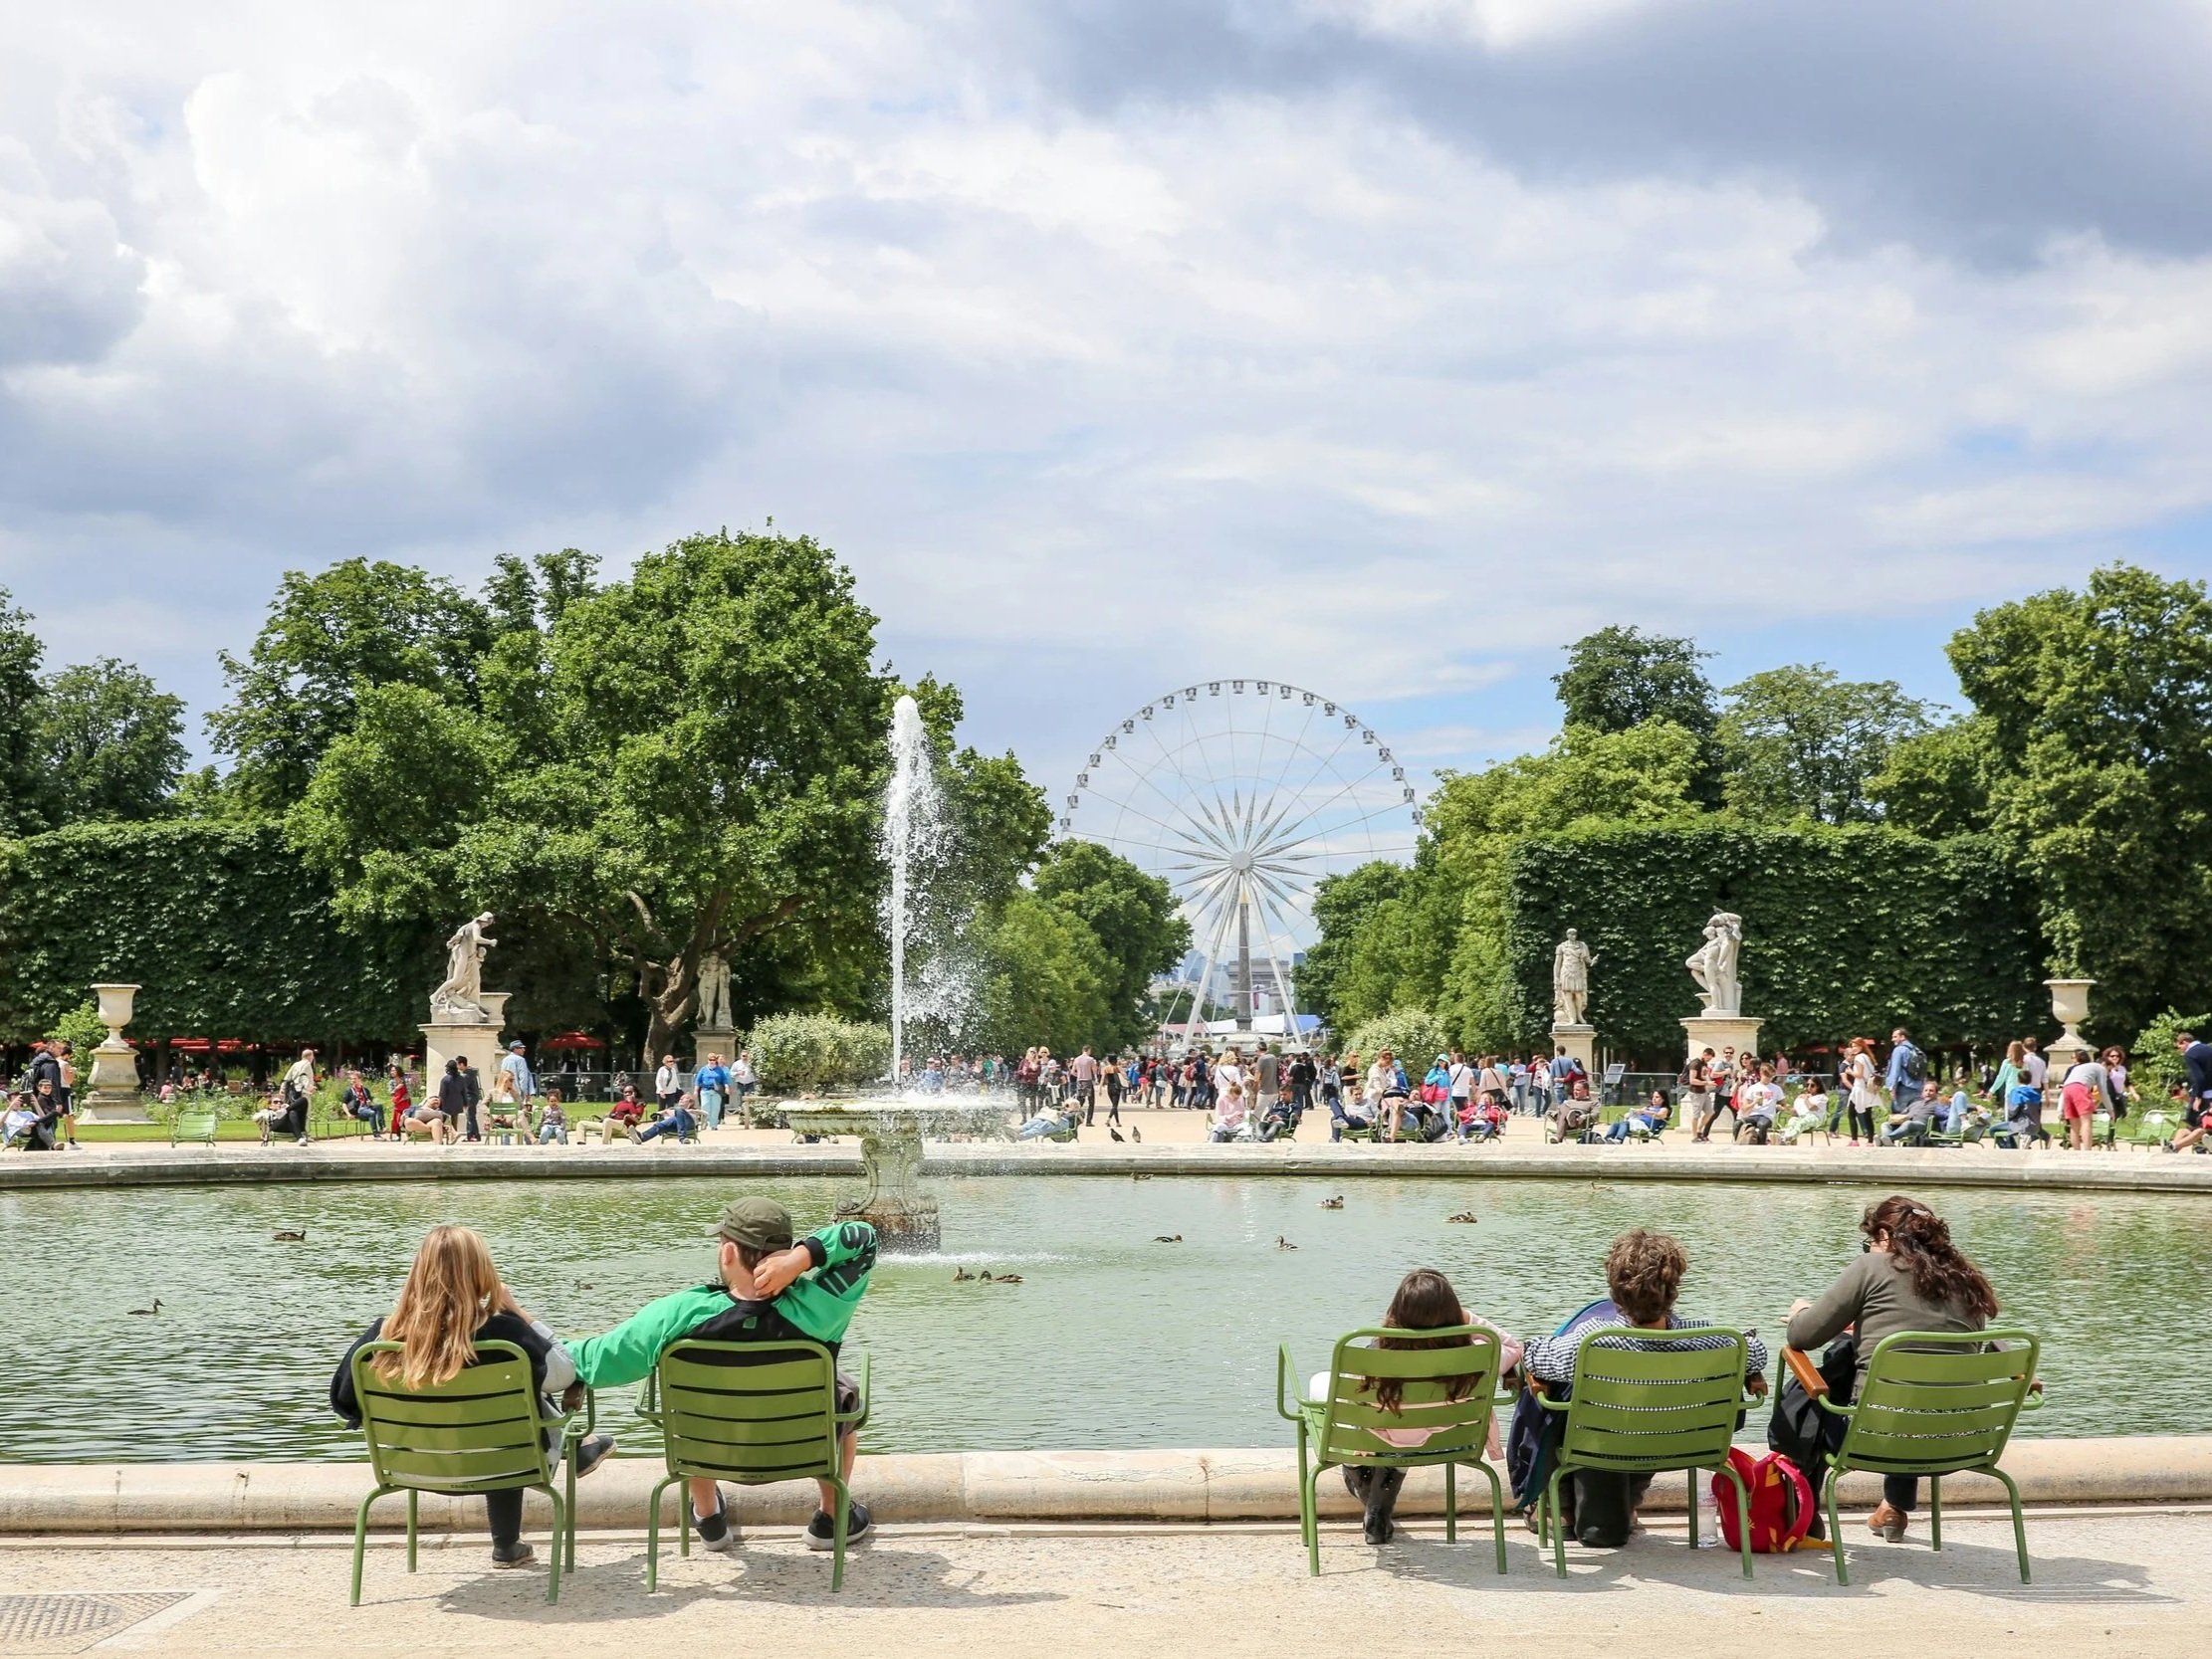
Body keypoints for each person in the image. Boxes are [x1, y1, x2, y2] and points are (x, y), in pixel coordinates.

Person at [570, 1199, 877, 1554]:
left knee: (687, 1406)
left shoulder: (677, 1314)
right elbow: (864, 1239)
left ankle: (708, 1517)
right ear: (783, 1251)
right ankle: (832, 1517)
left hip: (711, 1447)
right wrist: (802, 1258)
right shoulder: (822, 1306)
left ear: (728, 1251)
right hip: (800, 1449)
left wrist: (525, 1334)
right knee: (843, 1395)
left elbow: (592, 1363)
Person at [331, 1224, 615, 1568]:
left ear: (417, 1272)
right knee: (510, 1422)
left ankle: (511, 1542)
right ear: (483, 1273)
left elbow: (344, 1401)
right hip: (507, 1464)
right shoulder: (506, 1334)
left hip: (414, 1467)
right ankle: (573, 1453)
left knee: (498, 1420)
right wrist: (520, 1313)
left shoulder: (381, 1336)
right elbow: (565, 1374)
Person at [1521, 1230, 1767, 1545]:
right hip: (1682, 1444)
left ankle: (1559, 1507)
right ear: (1674, 1288)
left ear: (1615, 1291)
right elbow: (1757, 1351)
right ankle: (1626, 1502)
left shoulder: (1592, 1342)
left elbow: (1534, 1356)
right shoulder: (1717, 1340)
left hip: (1610, 1442)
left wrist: (1534, 1345)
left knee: (1555, 1396)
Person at [1785, 1195, 2000, 1543]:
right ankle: (1893, 1506)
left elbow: (1803, 1336)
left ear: (1884, 1236)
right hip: (1962, 1440)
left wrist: (1800, 1313)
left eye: (1870, 1241)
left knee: (1825, 1379)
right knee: (1910, 1384)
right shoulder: (1967, 1278)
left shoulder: (1871, 1267)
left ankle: (1800, 1506)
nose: (1869, 1248)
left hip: (1874, 1440)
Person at [1308, 1269, 1525, 1545]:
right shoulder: (1479, 1350)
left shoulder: (1377, 1349)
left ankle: (1363, 1481)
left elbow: (1352, 1398)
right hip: (1446, 1438)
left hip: (1381, 1435)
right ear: (1453, 1310)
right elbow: (1515, 1346)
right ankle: (1379, 1500)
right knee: (1412, 1425)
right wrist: (1470, 1319)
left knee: (1325, 1386)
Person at [2058, 1050, 2118, 1153]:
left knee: (2074, 1125)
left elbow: (2065, 1088)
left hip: (2067, 1090)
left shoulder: (2078, 1068)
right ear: (2104, 1064)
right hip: (2080, 1088)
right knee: (2086, 1122)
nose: (2108, 1073)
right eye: (2109, 1070)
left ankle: (2076, 1152)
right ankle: (2087, 1152)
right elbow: (2103, 1090)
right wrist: (2110, 1110)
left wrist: (2060, 1109)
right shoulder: (2100, 1068)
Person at [2168, 1029, 2212, 1151]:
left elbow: (2199, 1077)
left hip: (2204, 1095)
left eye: (2179, 1046)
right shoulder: (2208, 1049)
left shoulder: (2190, 1054)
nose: (2180, 1050)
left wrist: (2198, 1097)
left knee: (2199, 1125)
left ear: (2185, 1042)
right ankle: (2174, 1147)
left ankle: (2175, 1146)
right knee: (2204, 1124)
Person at [1842, 1036, 1881, 1145]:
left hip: (1859, 1089)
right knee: (1868, 1116)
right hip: (1868, 1089)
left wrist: (1849, 1072)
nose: (1853, 1048)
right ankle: (1870, 1141)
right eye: (1852, 1046)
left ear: (1861, 1046)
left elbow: (1859, 1074)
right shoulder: (1868, 1057)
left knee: (1851, 1114)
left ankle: (1854, 1140)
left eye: (1855, 1046)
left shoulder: (1859, 1058)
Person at [1880, 1079, 1941, 1144]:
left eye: (1931, 1091)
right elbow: (1903, 1113)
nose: (1928, 1093)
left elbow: (1944, 1113)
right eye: (1926, 1090)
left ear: (1936, 1093)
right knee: (1885, 1124)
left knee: (1908, 1123)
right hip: (1905, 1123)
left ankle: (1887, 1139)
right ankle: (1888, 1141)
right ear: (1922, 1093)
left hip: (1921, 1124)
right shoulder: (1915, 1103)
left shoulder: (1938, 1104)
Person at [1733, 1064, 1783, 1144]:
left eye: (1771, 1076)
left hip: (1767, 1116)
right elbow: (1744, 1108)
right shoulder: (1753, 1088)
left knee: (1762, 1125)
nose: (1769, 1078)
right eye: (1767, 1076)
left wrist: (1780, 1107)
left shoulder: (1776, 1089)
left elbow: (1783, 1103)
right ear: (1761, 1074)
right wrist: (1754, 1102)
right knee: (1738, 1123)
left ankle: (1761, 1144)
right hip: (1753, 1115)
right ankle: (1737, 1142)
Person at [1602, 1088, 1671, 1142]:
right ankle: (1607, 1139)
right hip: (1637, 1123)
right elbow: (1631, 1114)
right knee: (1616, 1124)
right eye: (1653, 1097)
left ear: (1663, 1099)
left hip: (1646, 1127)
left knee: (1625, 1124)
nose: (1654, 1099)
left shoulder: (1664, 1109)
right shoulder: (1647, 1107)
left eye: (1657, 1097)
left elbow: (1659, 1116)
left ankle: (1619, 1140)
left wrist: (1645, 1112)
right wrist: (1632, 1113)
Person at [1780, 1077, 1830, 1145]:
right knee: (1792, 1121)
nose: (1809, 1087)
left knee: (1801, 1123)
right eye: (1807, 1085)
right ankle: (1784, 1138)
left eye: (1812, 1085)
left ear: (1818, 1086)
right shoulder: (1802, 1097)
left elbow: (1811, 1107)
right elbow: (1795, 1113)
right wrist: (1786, 1108)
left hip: (1815, 1117)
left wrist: (1806, 1098)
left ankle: (1788, 1138)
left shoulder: (1822, 1097)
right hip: (1801, 1116)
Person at [337, 1069, 382, 1136]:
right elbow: (344, 1104)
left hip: (366, 1108)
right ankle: (376, 1135)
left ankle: (382, 1127)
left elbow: (369, 1101)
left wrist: (369, 1102)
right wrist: (348, 1114)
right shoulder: (349, 1091)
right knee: (372, 1113)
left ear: (360, 1079)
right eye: (352, 1079)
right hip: (358, 1111)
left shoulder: (365, 1090)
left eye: (355, 1078)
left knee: (379, 1106)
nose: (353, 1080)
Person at [695, 1052, 731, 1132]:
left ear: (715, 1060)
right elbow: (698, 1080)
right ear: (707, 1060)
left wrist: (727, 1087)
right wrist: (695, 1090)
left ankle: (713, 1125)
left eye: (713, 1059)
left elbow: (724, 1080)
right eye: (710, 1059)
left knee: (715, 1108)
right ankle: (704, 1123)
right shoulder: (703, 1069)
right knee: (705, 1106)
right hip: (705, 1090)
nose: (711, 1061)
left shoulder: (719, 1070)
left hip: (716, 1091)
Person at [731, 1050, 759, 1125]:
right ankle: (742, 1118)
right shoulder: (736, 1064)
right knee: (740, 1100)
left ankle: (751, 1118)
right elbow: (731, 1073)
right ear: (740, 1056)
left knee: (751, 1100)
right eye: (743, 1056)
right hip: (740, 1084)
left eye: (746, 1056)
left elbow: (757, 1072)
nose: (744, 1057)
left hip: (750, 1083)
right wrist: (737, 1073)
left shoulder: (751, 1064)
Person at [653, 1053, 681, 1120]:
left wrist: (679, 1089)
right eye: (669, 1061)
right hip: (662, 1092)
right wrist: (661, 1090)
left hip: (671, 1091)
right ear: (665, 1062)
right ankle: (659, 1121)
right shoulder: (661, 1070)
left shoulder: (673, 1070)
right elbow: (658, 1081)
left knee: (671, 1108)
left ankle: (670, 1120)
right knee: (661, 1108)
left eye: (672, 1061)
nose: (671, 1063)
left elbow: (675, 1080)